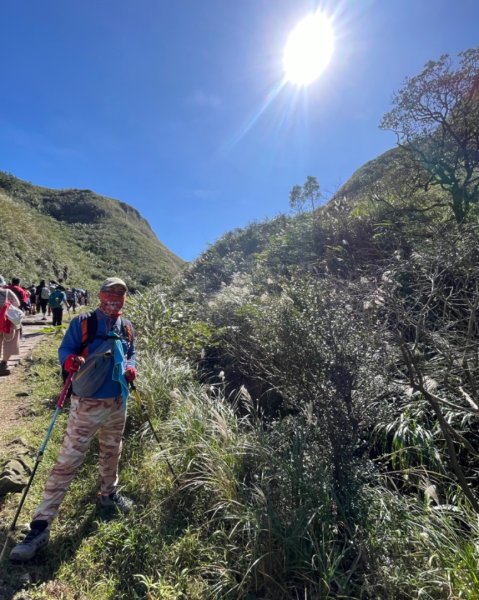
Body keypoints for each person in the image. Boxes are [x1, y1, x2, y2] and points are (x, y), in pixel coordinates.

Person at [10, 277, 137, 562]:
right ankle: (40, 527)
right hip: (87, 403)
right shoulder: (83, 323)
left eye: (120, 294)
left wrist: (130, 367)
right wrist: (69, 362)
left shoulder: (127, 327)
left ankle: (108, 495)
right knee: (67, 461)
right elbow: (65, 350)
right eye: (110, 293)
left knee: (112, 451)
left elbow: (131, 354)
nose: (115, 298)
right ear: (100, 295)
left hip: (118, 401)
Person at [0, 276, 22, 376]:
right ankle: (3, 363)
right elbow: (17, 304)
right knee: (9, 342)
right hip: (7, 321)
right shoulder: (7, 292)